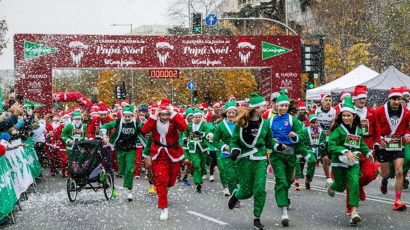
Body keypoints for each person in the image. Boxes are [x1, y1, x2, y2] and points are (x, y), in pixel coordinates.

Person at [228, 93, 274, 230]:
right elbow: (234, 141)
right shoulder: (242, 123)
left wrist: (278, 146)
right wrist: (234, 149)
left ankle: (257, 218)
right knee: (246, 192)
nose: (266, 108)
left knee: (259, 189)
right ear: (255, 108)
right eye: (263, 106)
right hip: (244, 160)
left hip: (260, 159)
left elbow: (269, 142)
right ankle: (236, 194)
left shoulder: (265, 124)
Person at [326, 96, 373, 225]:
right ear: (341, 116)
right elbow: (331, 145)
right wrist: (344, 151)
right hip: (339, 162)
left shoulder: (358, 129)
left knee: (354, 183)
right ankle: (331, 185)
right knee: (340, 187)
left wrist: (368, 152)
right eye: (344, 116)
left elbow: (361, 143)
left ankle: (354, 212)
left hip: (353, 162)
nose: (346, 118)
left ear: (353, 116)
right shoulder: (338, 130)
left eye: (349, 116)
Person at [141, 98, 187, 221]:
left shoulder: (173, 121)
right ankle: (163, 208)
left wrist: (174, 113)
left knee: (171, 181)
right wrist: (153, 116)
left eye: (167, 114)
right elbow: (144, 130)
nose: (165, 117)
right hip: (159, 154)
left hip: (173, 153)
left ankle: (162, 186)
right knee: (161, 179)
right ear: (159, 114)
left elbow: (184, 127)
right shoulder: (154, 121)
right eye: (163, 114)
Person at [269, 90, 304, 226]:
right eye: (281, 105)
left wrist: (295, 136)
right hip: (277, 155)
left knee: (288, 181)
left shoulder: (292, 120)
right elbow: (265, 137)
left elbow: (302, 135)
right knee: (282, 181)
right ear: (276, 106)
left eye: (286, 106)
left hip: (290, 155)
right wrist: (273, 142)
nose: (283, 108)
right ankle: (284, 211)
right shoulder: (270, 120)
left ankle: (283, 196)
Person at [346, 85, 380, 214]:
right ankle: (350, 207)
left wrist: (376, 142)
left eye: (364, 98)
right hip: (352, 144)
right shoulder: (348, 112)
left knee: (370, 174)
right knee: (352, 177)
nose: (362, 101)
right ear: (354, 99)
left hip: (367, 145)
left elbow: (377, 129)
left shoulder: (371, 112)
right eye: (360, 98)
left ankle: (359, 187)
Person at [375, 87, 409, 210]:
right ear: (389, 99)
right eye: (394, 99)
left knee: (399, 171)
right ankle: (383, 177)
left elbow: (407, 127)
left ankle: (398, 200)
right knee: (386, 174)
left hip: (398, 144)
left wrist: (407, 135)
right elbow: (374, 127)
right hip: (384, 144)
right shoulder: (379, 111)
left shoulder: (406, 112)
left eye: (398, 99)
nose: (396, 101)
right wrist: (379, 138)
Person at [101, 105, 143, 202]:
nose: (127, 118)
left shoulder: (136, 123)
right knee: (121, 170)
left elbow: (145, 128)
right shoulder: (118, 121)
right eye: (125, 116)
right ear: (123, 115)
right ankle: (121, 182)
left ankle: (129, 191)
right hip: (119, 148)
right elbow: (105, 126)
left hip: (131, 149)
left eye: (129, 116)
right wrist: (104, 135)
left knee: (130, 169)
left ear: (132, 116)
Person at [212, 101, 239, 199]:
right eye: (229, 113)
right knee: (231, 177)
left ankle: (238, 191)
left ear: (236, 113)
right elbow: (215, 141)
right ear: (226, 113)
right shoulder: (220, 126)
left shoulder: (240, 123)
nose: (231, 114)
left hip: (240, 154)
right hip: (227, 155)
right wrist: (225, 147)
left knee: (239, 177)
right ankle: (234, 197)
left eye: (233, 113)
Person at [184, 108, 210, 193]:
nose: (198, 118)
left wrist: (200, 134)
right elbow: (185, 133)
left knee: (202, 165)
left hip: (202, 147)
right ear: (193, 118)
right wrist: (185, 138)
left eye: (199, 117)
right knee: (196, 164)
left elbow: (207, 132)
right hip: (193, 148)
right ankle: (198, 183)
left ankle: (202, 173)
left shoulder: (204, 124)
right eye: (196, 117)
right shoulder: (190, 125)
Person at [315, 93, 337, 185]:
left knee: (330, 160)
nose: (328, 102)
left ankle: (331, 175)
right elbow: (315, 124)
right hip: (321, 137)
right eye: (326, 100)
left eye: (329, 100)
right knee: (325, 159)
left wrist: (331, 130)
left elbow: (334, 123)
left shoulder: (333, 111)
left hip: (331, 137)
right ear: (322, 102)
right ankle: (328, 178)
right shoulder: (317, 111)